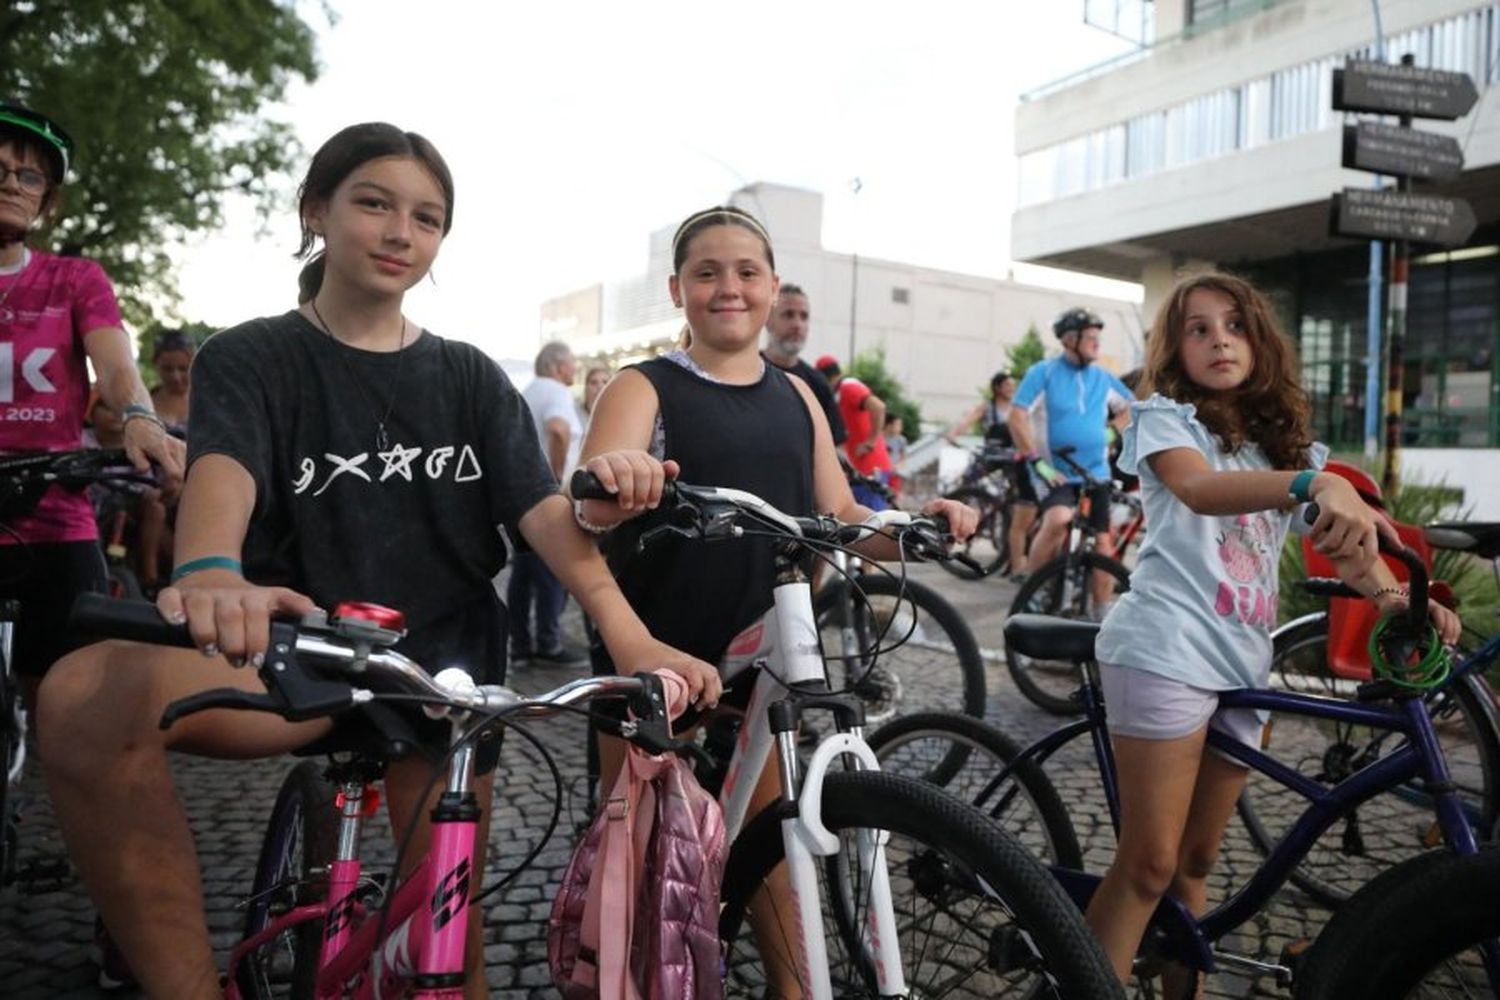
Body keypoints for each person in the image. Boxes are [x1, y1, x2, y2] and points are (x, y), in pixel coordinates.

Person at [37, 121, 719, 1000]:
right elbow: (224, 469)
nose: (402, 232)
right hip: (305, 656)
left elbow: (547, 515)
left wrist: (634, 640)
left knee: (446, 964)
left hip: (445, 677)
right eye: (374, 203)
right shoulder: (249, 355)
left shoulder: (470, 376)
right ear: (317, 210)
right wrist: (208, 567)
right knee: (81, 696)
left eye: (427, 218)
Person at [575, 205, 976, 995]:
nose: (729, 287)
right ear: (677, 290)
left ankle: (796, 986)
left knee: (769, 842)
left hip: (764, 651)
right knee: (640, 863)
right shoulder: (643, 385)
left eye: (746, 272)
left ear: (773, 287)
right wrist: (619, 477)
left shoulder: (797, 396)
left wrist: (918, 525)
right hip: (656, 656)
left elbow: (845, 520)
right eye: (707, 272)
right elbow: (586, 500)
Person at [1084, 272, 1462, 994]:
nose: (1219, 339)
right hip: (1164, 650)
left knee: (1195, 865)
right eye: (1198, 328)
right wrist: (1312, 484)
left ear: (1260, 341)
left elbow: (1347, 547)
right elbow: (1197, 489)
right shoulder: (1164, 418)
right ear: (1176, 347)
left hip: (1241, 663)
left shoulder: (1275, 444)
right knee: (1149, 863)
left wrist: (1393, 599)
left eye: (1235, 325)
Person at [0, 100, 184, 704]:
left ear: (46, 200)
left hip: (55, 509)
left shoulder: (76, 279)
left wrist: (138, 416)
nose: (11, 183)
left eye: (29, 176)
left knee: (73, 697)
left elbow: (114, 363)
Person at [1008, 308, 1132, 584]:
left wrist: (1111, 434)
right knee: (1059, 520)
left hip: (1096, 471)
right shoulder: (1043, 372)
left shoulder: (1102, 377)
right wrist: (1036, 461)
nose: (1096, 343)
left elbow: (1131, 409)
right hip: (1054, 471)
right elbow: (1016, 417)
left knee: (1103, 542)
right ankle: (1033, 592)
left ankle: (1100, 613)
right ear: (1068, 340)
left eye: (1098, 337)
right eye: (1090, 337)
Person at [506, 340, 587, 666]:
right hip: (549, 495)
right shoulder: (556, 391)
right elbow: (558, 429)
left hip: (521, 495)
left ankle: (522, 645)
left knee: (523, 575)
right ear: (557, 366)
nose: (575, 368)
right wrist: (555, 476)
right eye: (572, 363)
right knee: (554, 572)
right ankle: (549, 645)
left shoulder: (528, 391)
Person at [947, 369, 1039, 570]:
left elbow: (1028, 431)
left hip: (1013, 458)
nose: (1011, 390)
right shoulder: (987, 407)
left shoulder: (1019, 408)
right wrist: (954, 434)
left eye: (1013, 386)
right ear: (997, 388)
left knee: (1018, 497)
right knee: (967, 482)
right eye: (1007, 386)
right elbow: (968, 421)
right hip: (991, 456)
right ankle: (961, 510)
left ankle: (1003, 519)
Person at [136, 330, 196, 594]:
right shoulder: (144, 404)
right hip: (148, 484)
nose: (175, 377)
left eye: (183, 369)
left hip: (195, 484)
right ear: (156, 365)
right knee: (154, 504)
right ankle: (151, 580)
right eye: (167, 368)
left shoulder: (207, 401)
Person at [762, 282, 846, 445]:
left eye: (804, 316)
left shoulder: (818, 384)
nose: (797, 325)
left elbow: (836, 447)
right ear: (767, 320)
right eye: (788, 314)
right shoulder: (742, 372)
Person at [814, 353, 893, 508]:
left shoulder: (848, 387)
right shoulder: (840, 392)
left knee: (873, 522)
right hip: (859, 467)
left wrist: (870, 442)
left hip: (870, 466)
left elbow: (878, 407)